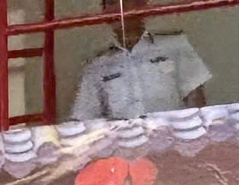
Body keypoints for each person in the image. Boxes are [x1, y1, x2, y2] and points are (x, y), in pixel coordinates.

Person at [68, 0, 211, 123]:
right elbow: (85, 118)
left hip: (170, 139)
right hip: (124, 147)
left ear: (142, 4)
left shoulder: (174, 45)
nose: (118, 8)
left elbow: (196, 104)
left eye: (125, 1)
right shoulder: (98, 65)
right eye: (111, 2)